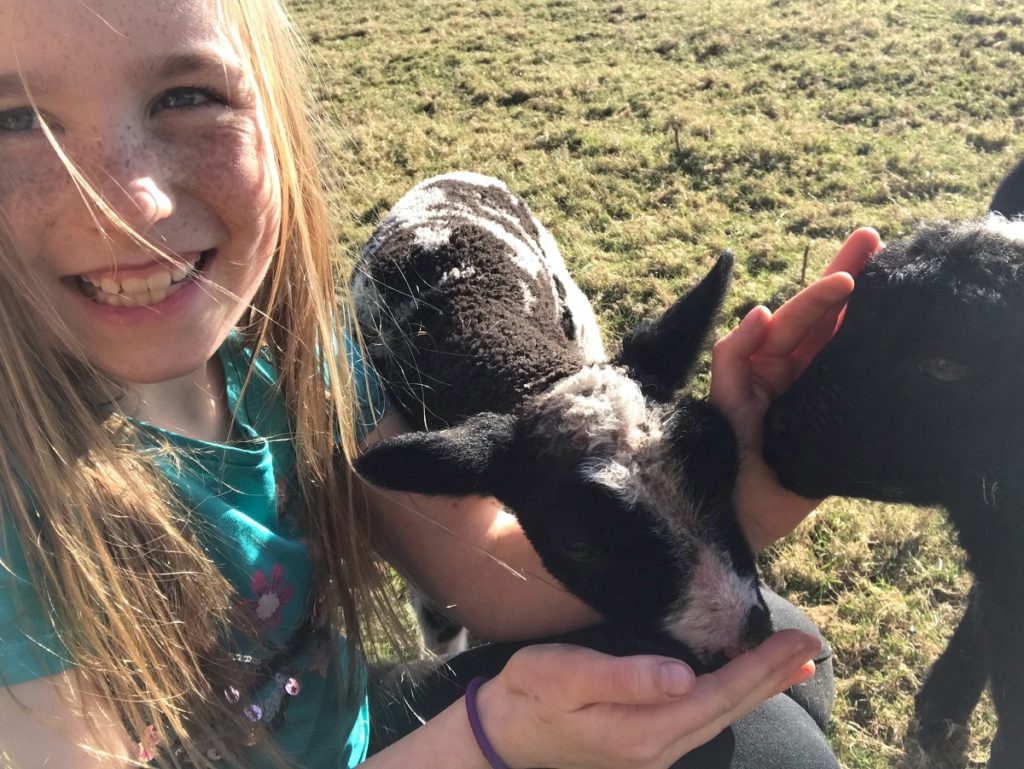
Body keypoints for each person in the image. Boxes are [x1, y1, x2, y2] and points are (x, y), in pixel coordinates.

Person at [0, 1, 879, 767]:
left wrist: (745, 499)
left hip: (357, 733)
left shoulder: (287, 357)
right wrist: (490, 737)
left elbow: (486, 580)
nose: (128, 204)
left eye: (187, 96)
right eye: (12, 118)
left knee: (774, 677)